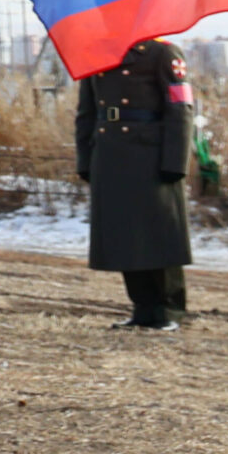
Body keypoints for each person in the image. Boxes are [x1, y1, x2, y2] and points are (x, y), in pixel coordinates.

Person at [75, 37, 193, 330]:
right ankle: (143, 308)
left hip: (151, 155)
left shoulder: (163, 53)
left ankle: (169, 310)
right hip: (110, 153)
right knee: (124, 235)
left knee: (160, 233)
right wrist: (85, 160)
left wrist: (175, 162)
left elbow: (180, 108)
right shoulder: (96, 53)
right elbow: (86, 113)